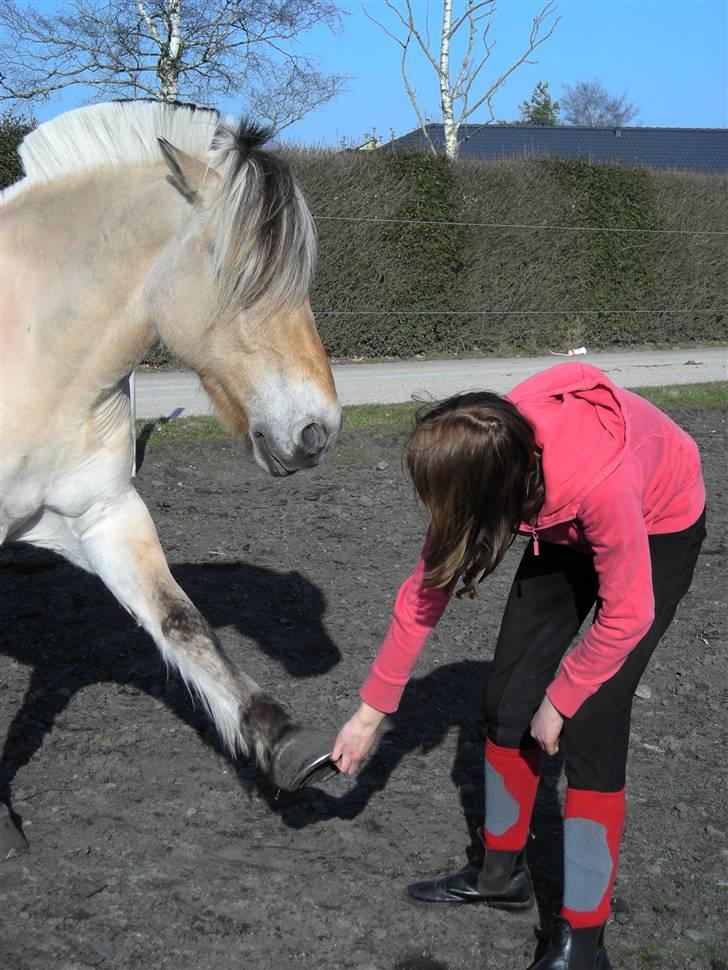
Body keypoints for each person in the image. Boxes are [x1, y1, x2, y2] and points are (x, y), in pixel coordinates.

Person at [332, 363, 706, 970]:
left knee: (591, 721)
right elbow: (425, 591)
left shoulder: (599, 481)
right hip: (559, 524)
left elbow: (628, 614)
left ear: (491, 487)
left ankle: (585, 942)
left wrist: (562, 698)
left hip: (655, 522)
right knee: (506, 700)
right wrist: (369, 716)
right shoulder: (489, 448)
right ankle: (499, 874)